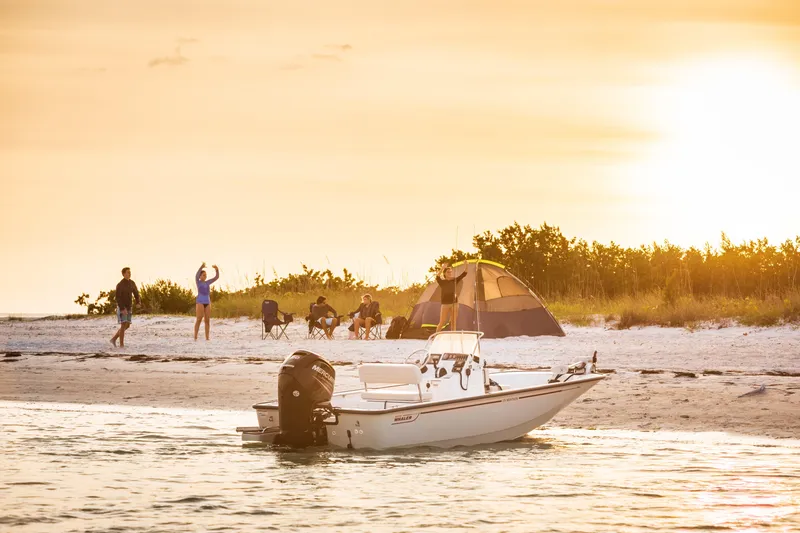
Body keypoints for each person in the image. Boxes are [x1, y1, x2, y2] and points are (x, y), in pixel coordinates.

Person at [111, 267, 142, 348]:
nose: (129, 274)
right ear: (124, 274)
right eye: (128, 272)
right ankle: (121, 345)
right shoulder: (120, 285)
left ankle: (114, 339)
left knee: (127, 325)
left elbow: (136, 293)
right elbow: (118, 298)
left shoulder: (132, 283)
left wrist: (138, 302)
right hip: (122, 308)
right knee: (123, 324)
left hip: (129, 307)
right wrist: (122, 308)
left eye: (130, 272)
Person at [436, 263, 467, 332]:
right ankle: (435, 337)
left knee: (453, 322)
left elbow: (464, 274)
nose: (450, 273)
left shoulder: (454, 280)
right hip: (445, 304)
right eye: (448, 272)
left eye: (450, 272)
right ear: (445, 273)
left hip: (454, 303)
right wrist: (443, 268)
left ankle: (453, 336)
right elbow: (437, 277)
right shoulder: (442, 282)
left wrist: (466, 265)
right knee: (442, 322)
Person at [194, 262, 220, 341]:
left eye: (206, 275)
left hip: (207, 302)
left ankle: (207, 337)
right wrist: (201, 267)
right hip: (200, 302)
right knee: (199, 319)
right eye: (203, 275)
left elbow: (216, 277)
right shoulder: (198, 282)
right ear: (200, 276)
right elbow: (196, 275)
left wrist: (217, 269)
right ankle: (195, 336)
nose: (205, 276)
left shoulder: (208, 282)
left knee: (207, 320)